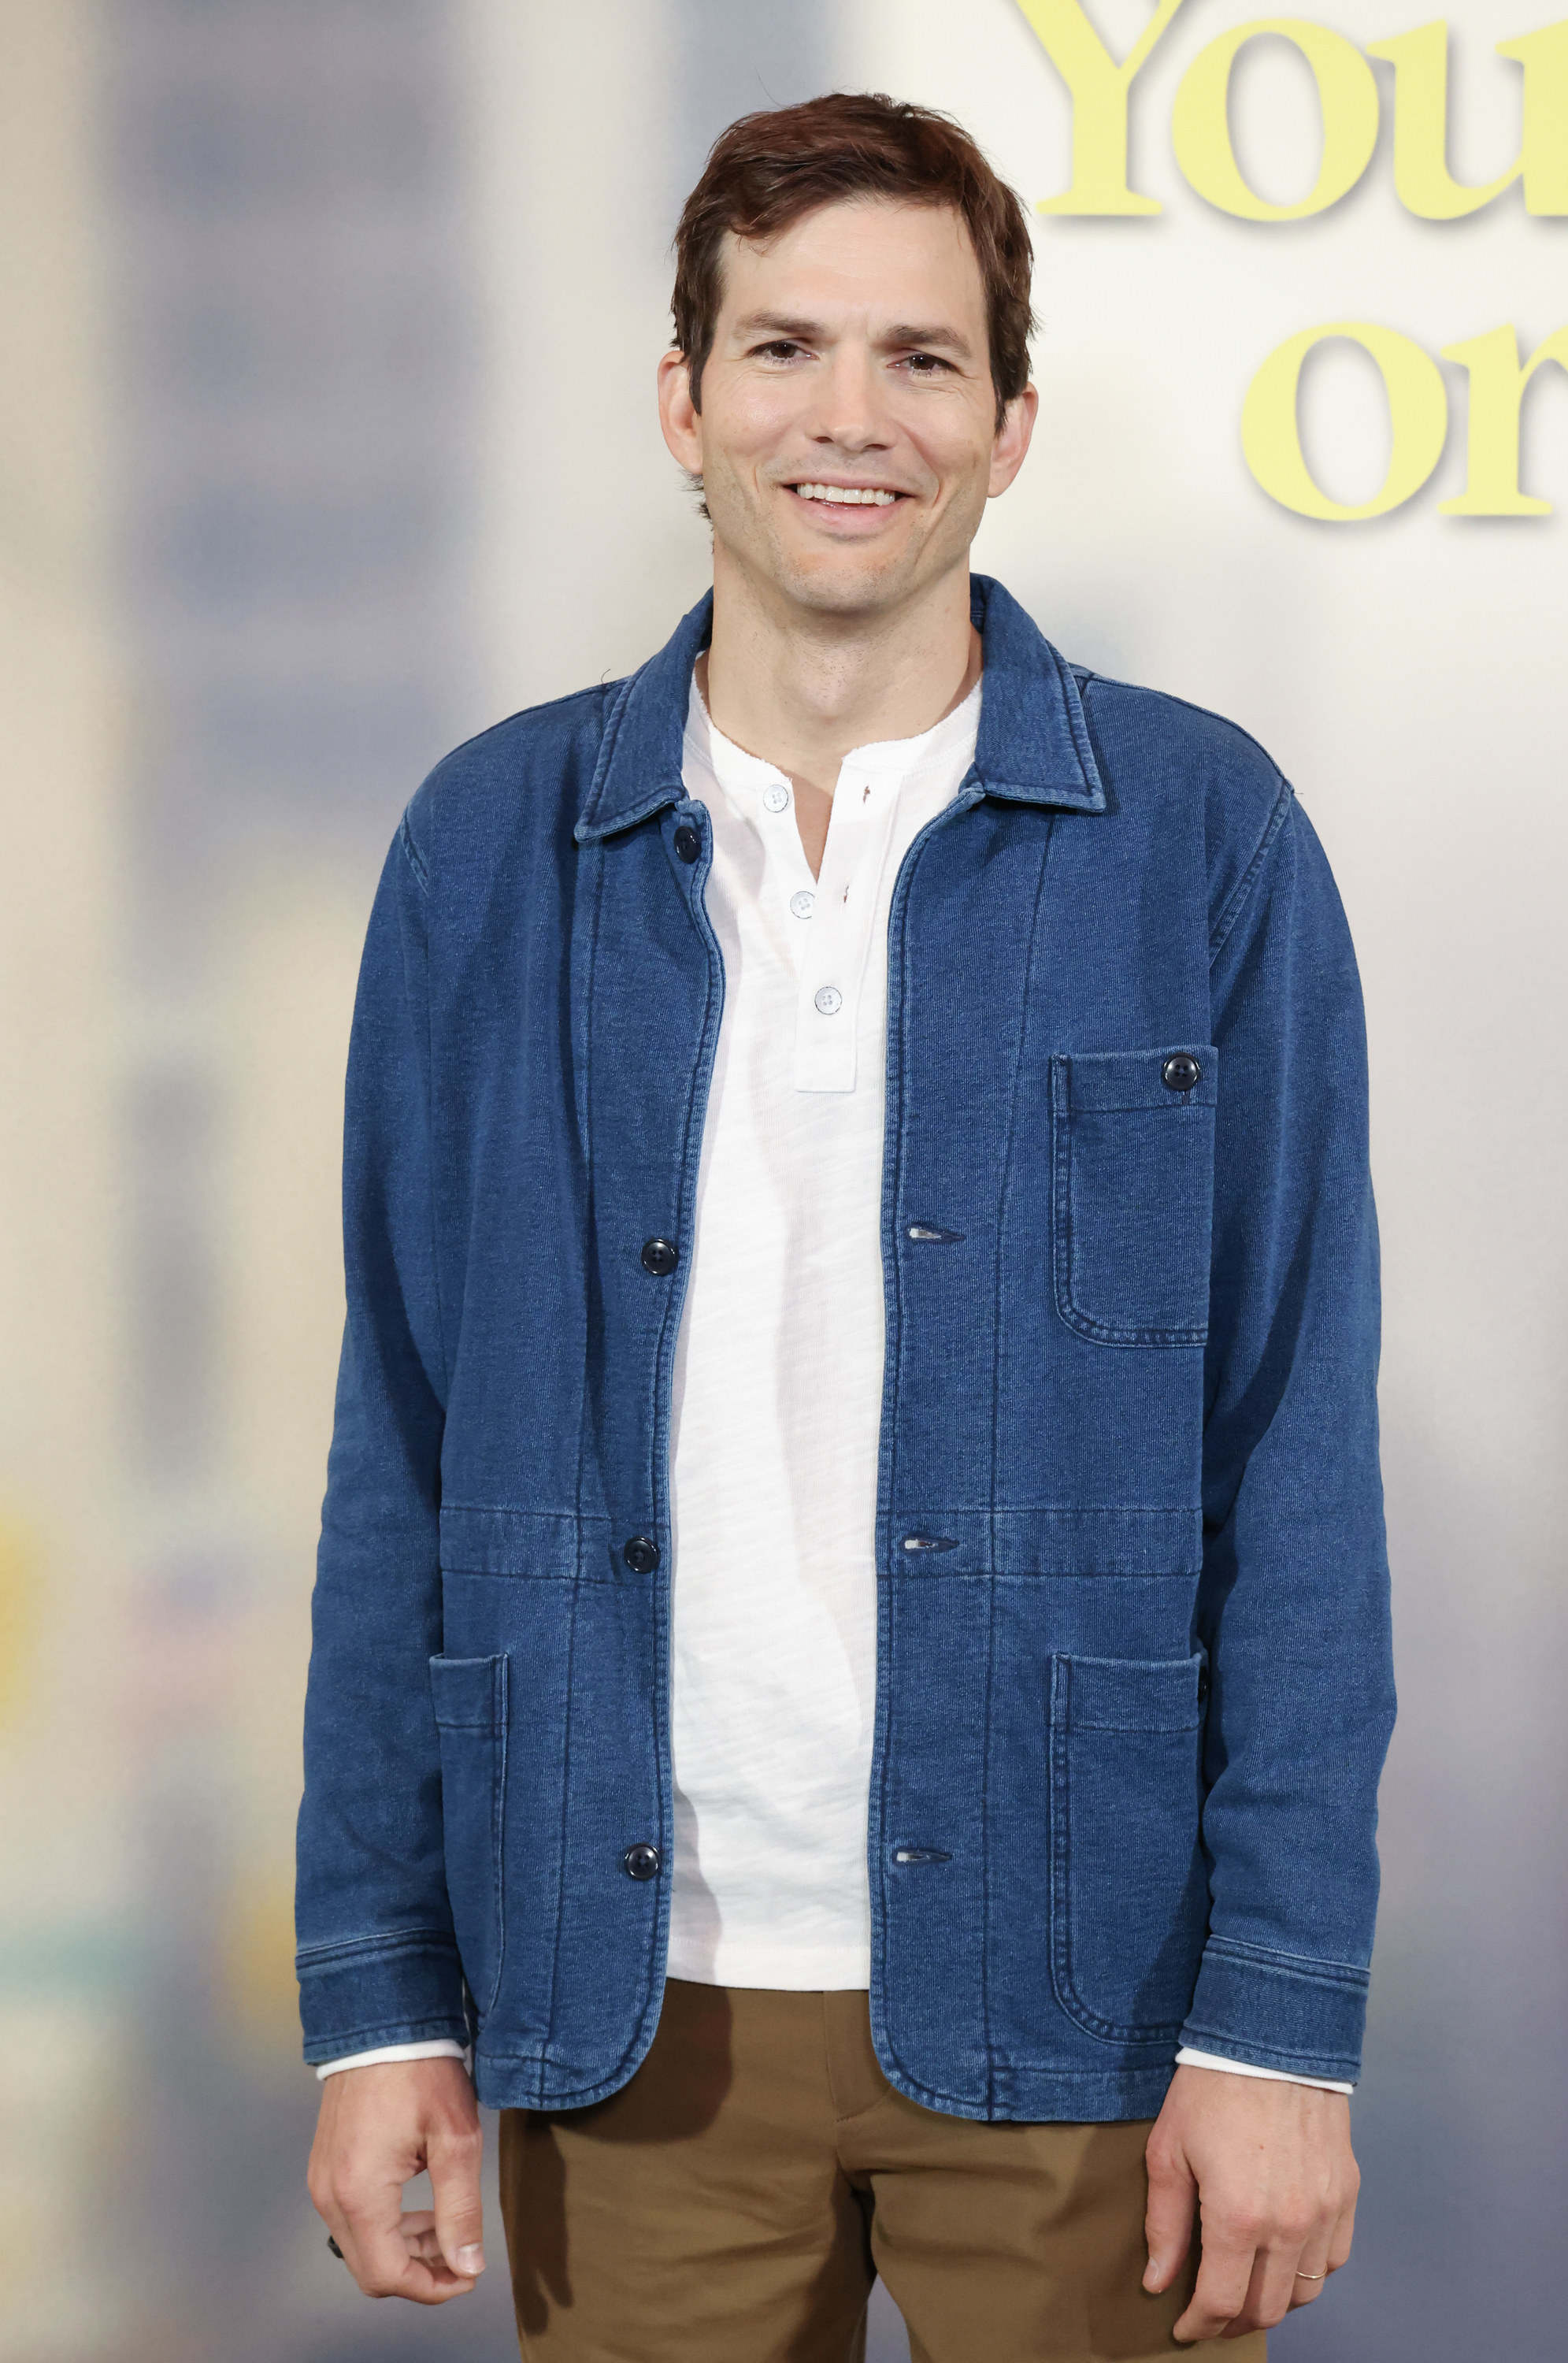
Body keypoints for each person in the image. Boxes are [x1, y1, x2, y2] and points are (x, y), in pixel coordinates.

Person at [297, 91, 1395, 2362]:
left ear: (1007, 421)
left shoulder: (1200, 837)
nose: (848, 420)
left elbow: (1294, 1451)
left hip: (1087, 1994)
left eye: (919, 359)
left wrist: (1279, 2024)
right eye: (786, 349)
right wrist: (376, 1998)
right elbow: (397, 1451)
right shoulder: (487, 850)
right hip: (631, 2014)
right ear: (682, 402)